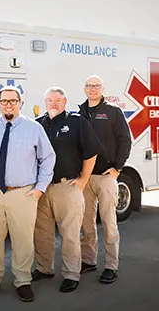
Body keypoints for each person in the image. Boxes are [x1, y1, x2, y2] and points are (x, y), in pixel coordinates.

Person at [0, 86, 56, 302]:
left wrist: (40, 189)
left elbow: (47, 159)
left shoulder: (34, 128)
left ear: (20, 103)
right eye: (4, 101)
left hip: (23, 193)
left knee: (23, 239)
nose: (8, 104)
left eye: (13, 101)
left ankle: (23, 280)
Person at [33, 87, 102, 293]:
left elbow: (91, 152)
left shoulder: (77, 122)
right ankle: (44, 268)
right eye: (49, 100)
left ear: (65, 102)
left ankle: (72, 273)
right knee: (42, 232)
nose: (53, 103)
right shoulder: (37, 125)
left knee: (70, 233)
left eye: (57, 100)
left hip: (67, 185)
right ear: (44, 102)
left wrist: (83, 180)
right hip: (42, 188)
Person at [78, 75, 131, 284]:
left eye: (96, 86)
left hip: (106, 176)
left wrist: (117, 167)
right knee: (86, 222)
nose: (93, 89)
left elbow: (125, 140)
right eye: (89, 86)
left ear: (102, 88)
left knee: (109, 222)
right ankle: (89, 260)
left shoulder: (113, 112)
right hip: (85, 177)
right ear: (84, 89)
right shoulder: (79, 112)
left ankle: (111, 265)